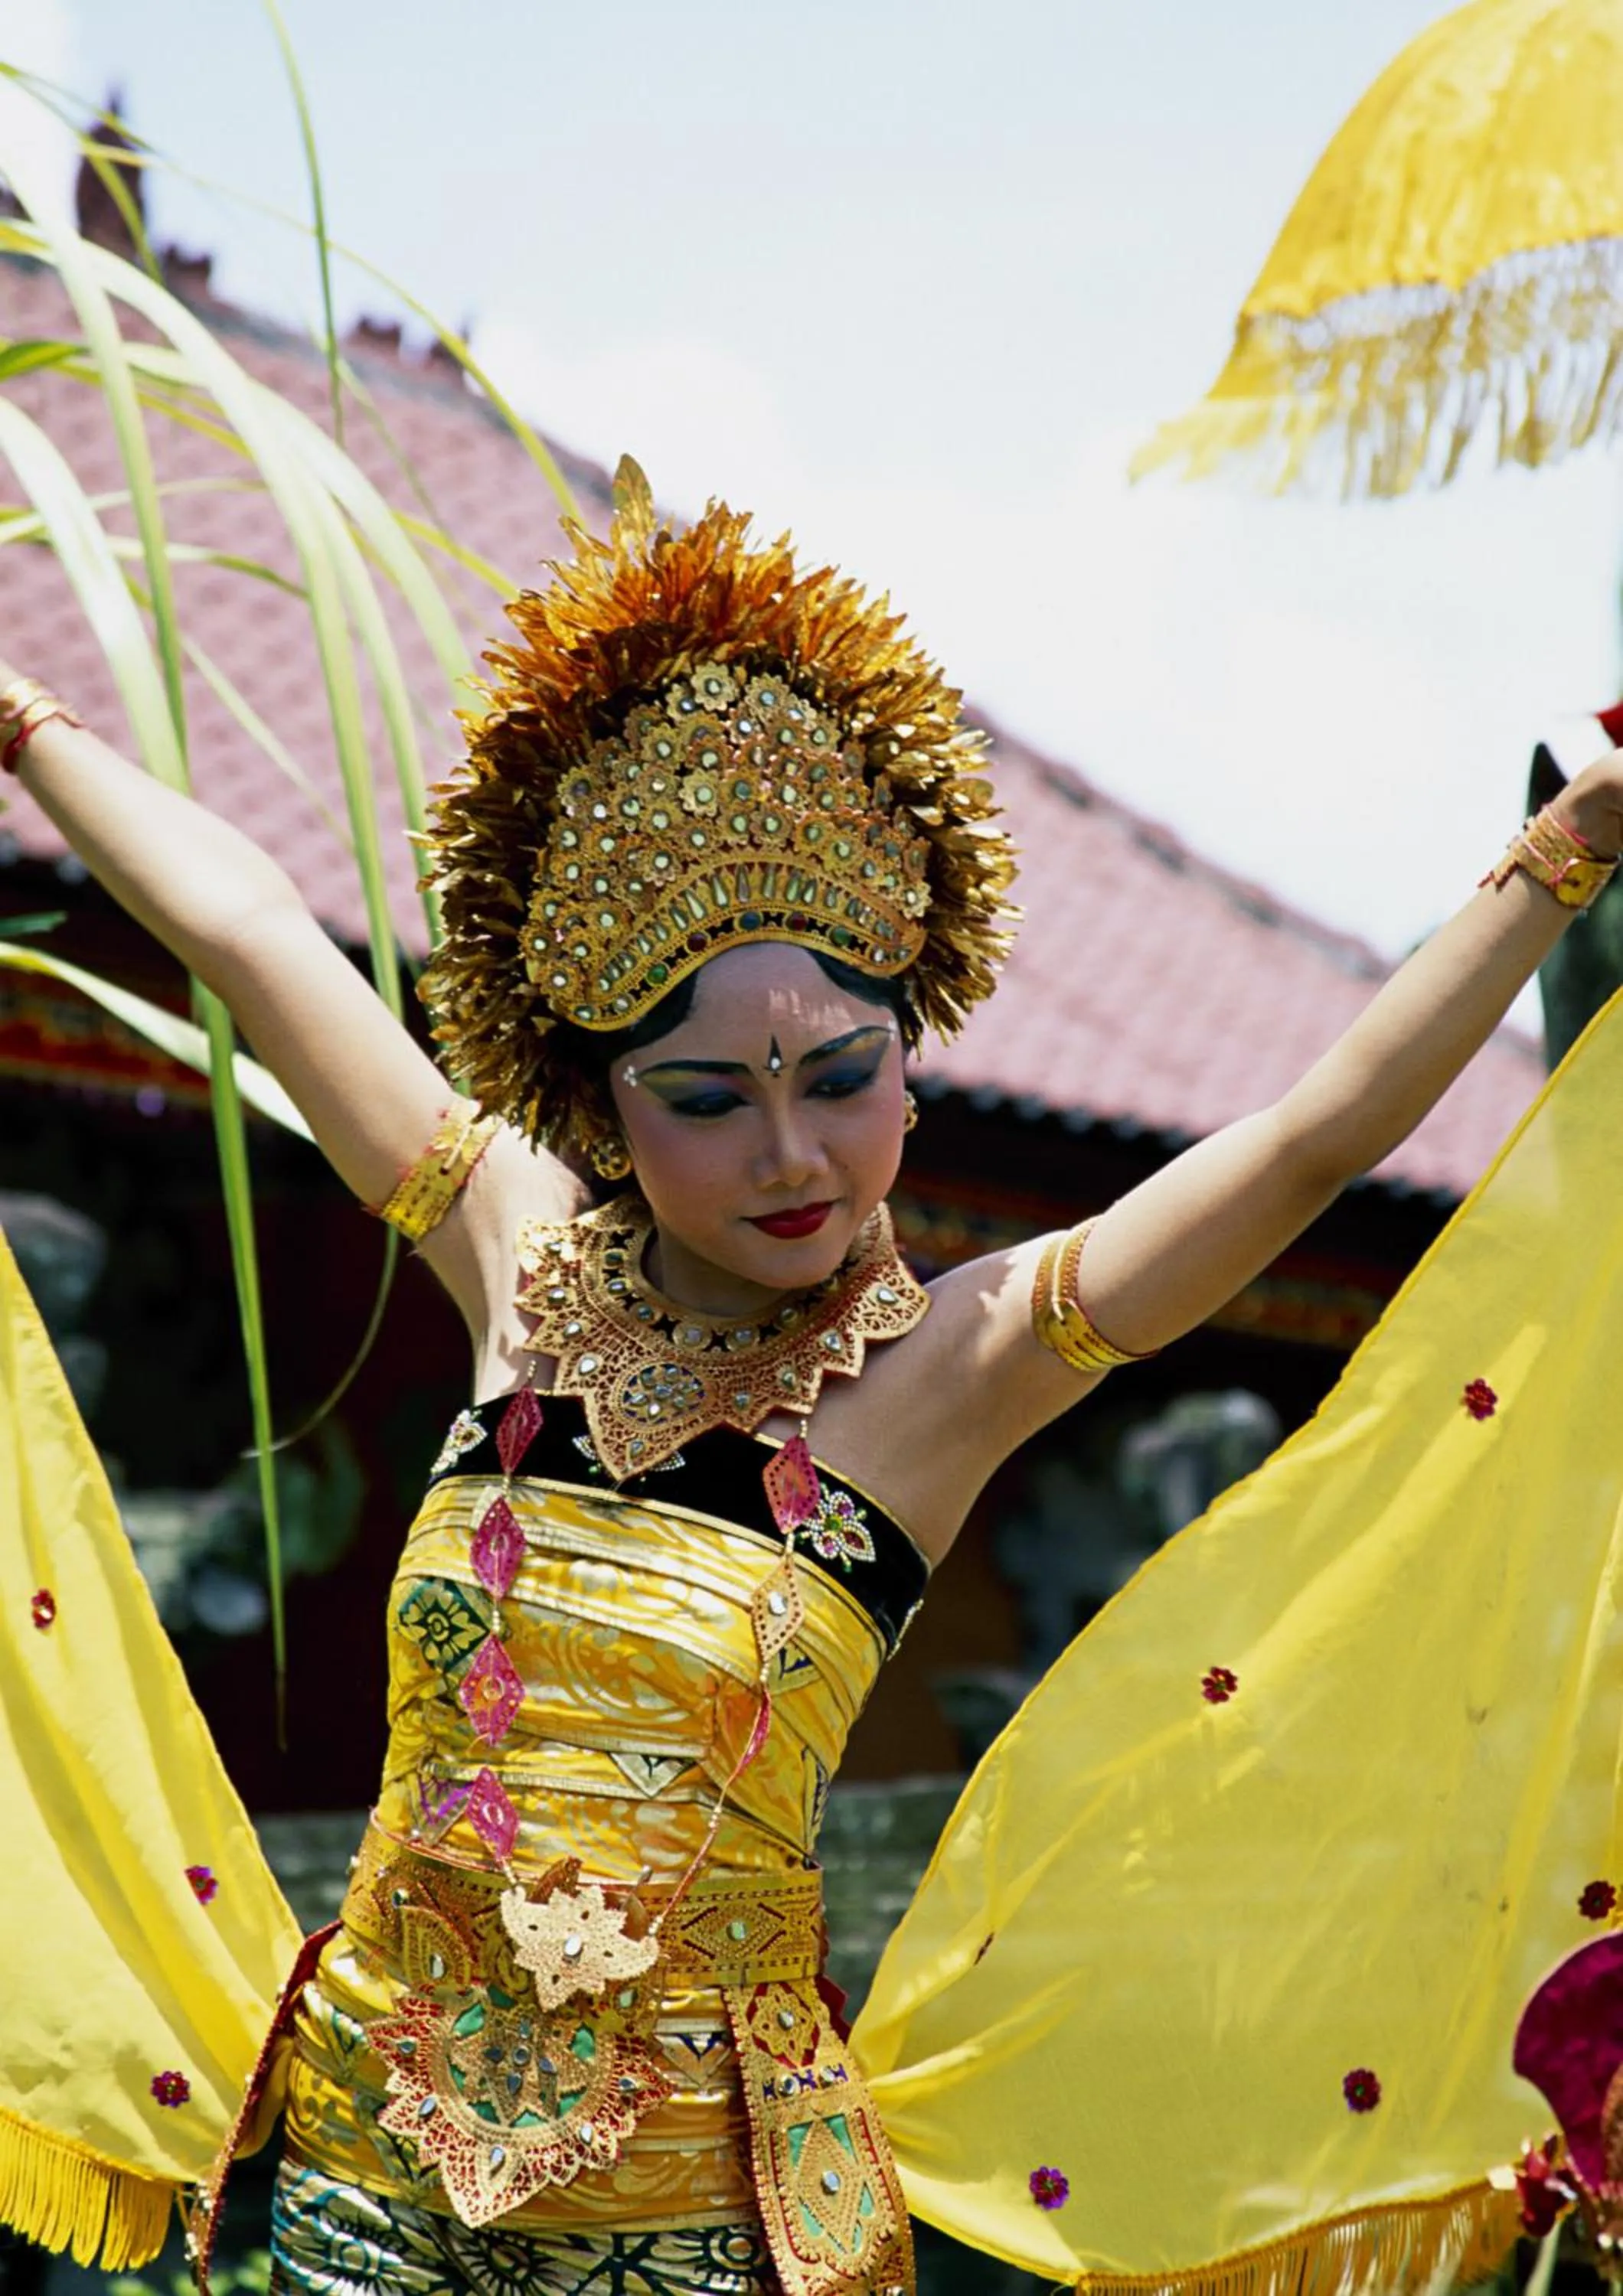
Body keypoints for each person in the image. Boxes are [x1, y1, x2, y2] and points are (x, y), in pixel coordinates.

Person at [2, 458, 1621, 2296]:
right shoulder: (510, 1251)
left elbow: (1311, 1140)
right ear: (591, 1102)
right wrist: (19, 722)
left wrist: (1571, 845)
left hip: (705, 2237)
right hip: (361, 2189)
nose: (792, 1155)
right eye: (706, 1100)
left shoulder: (959, 1367)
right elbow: (250, 935)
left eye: (842, 1076)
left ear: (912, 1065)